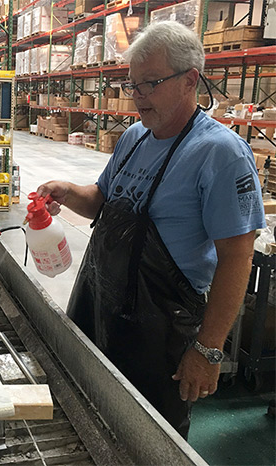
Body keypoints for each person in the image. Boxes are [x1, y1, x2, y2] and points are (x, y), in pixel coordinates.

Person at [36, 21, 264, 438]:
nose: (137, 97)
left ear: (189, 80)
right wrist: (68, 191)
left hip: (161, 334)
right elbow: (101, 200)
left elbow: (237, 258)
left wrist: (208, 349)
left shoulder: (220, 153)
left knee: (148, 438)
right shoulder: (135, 137)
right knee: (93, 419)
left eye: (149, 84)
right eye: (132, 85)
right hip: (102, 307)